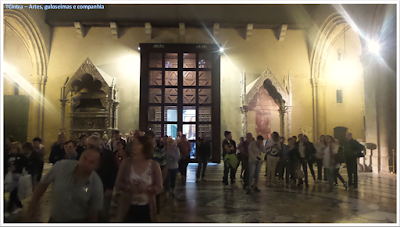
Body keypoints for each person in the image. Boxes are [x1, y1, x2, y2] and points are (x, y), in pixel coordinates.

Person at [26, 145, 104, 222]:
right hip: (55, 220)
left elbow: (93, 214)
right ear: (80, 156)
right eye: (85, 158)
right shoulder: (61, 166)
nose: (86, 163)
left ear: (96, 166)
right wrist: (32, 207)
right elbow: (42, 185)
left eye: (91, 162)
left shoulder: (96, 184)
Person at [115, 136, 163, 223]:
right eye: (134, 144)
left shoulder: (154, 165)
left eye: (137, 144)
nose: (134, 146)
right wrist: (129, 188)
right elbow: (118, 184)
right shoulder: (126, 163)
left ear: (145, 146)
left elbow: (159, 187)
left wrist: (147, 189)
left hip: (147, 207)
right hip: (128, 206)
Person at [87, 135, 118, 223]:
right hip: (89, 189)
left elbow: (114, 170)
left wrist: (110, 187)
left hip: (104, 188)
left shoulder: (108, 154)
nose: (89, 147)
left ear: (98, 144)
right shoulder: (86, 154)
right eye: (88, 145)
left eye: (91, 145)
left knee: (103, 214)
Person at [5, 142, 28, 217]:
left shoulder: (21, 156)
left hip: (17, 176)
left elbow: (24, 164)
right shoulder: (9, 156)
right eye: (11, 148)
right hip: (10, 176)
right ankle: (19, 205)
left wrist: (16, 168)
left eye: (14, 148)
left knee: (13, 192)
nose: (12, 149)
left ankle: (8, 210)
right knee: (13, 192)